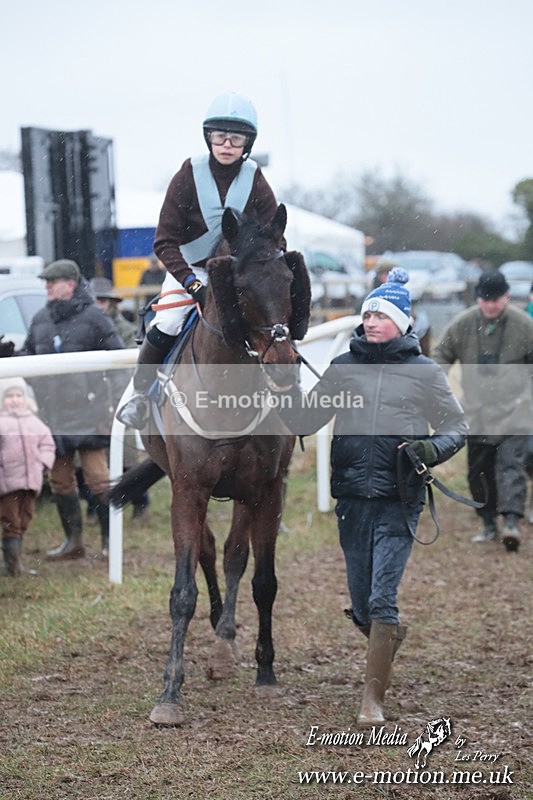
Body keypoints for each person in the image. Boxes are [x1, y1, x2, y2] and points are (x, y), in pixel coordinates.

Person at [278, 269, 467, 726]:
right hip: (351, 498)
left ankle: (372, 701)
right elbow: (305, 422)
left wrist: (429, 449)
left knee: (382, 599)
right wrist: (284, 385)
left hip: (400, 498)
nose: (372, 320)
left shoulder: (424, 371)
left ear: (403, 322)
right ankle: (385, 638)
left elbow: (456, 428)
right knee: (361, 604)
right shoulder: (343, 366)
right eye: (367, 313)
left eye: (381, 314)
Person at [117, 91, 282, 429]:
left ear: (247, 143)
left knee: (270, 322)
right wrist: (193, 284)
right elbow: (164, 242)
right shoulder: (187, 175)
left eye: (236, 138)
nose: (226, 144)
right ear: (209, 137)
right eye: (220, 136)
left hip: (236, 273)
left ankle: (288, 391)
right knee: (168, 323)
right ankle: (138, 396)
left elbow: (274, 236)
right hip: (188, 269)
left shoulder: (256, 179)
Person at [18, 259, 125, 560]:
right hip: (53, 415)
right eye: (47, 282)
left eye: (53, 281)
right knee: (60, 481)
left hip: (90, 413)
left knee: (98, 479)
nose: (47, 287)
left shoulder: (95, 317)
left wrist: (114, 407)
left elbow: (118, 365)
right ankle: (73, 542)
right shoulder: (40, 319)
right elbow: (27, 358)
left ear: (71, 284)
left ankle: (108, 543)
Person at [433, 269, 533, 551]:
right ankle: (488, 522)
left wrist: (527, 398)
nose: (490, 305)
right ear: (477, 299)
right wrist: (438, 389)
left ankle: (512, 522)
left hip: (516, 412)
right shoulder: (462, 325)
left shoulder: (524, 326)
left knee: (512, 467)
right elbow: (440, 356)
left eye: (496, 299)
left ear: (507, 297)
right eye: (485, 299)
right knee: (479, 471)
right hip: (476, 412)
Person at [89, 277, 151, 520]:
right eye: (96, 300)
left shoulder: (125, 330)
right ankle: (96, 507)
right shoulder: (90, 325)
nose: (100, 305)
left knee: (126, 457)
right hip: (96, 396)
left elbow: (127, 366)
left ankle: (140, 501)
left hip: (119, 393)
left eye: (103, 300)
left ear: (111, 303)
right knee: (93, 458)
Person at [0, 377, 56, 575]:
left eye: (18, 395)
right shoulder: (2, 423)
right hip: (8, 483)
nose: (14, 400)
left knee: (25, 518)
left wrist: (42, 463)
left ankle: (15, 557)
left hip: (31, 482)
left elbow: (48, 445)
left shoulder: (35, 422)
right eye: (9, 396)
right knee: (11, 520)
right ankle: (13, 566)